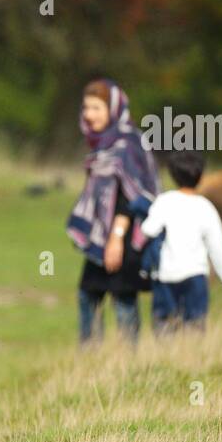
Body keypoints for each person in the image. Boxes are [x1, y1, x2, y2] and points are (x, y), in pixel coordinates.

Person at [66, 79, 160, 344]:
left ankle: (128, 365)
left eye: (96, 107)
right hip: (101, 238)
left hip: (125, 237)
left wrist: (117, 238)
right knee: (88, 294)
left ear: (113, 108)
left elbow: (132, 196)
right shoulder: (102, 144)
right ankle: (91, 363)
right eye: (86, 107)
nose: (88, 114)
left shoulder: (128, 143)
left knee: (123, 298)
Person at [140, 149, 222, 334]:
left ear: (173, 174)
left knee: (164, 325)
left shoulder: (164, 201)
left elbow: (148, 229)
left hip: (165, 276)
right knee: (195, 325)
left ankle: (165, 360)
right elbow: (218, 248)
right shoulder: (205, 207)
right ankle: (190, 359)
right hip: (195, 275)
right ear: (200, 176)